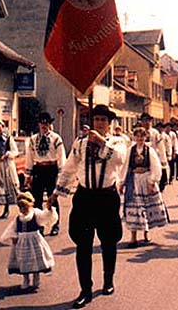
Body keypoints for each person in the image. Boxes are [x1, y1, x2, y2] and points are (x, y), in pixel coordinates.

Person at [48, 104, 126, 308]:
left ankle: (108, 279)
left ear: (109, 123)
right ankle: (85, 289)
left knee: (109, 242)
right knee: (83, 245)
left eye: (103, 120)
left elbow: (119, 160)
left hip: (107, 198)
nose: (99, 123)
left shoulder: (118, 141)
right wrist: (56, 192)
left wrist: (100, 142)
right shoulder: (80, 143)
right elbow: (69, 168)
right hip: (85, 197)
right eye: (96, 119)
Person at [119, 127, 168, 248]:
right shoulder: (130, 150)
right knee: (134, 208)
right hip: (134, 181)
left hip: (146, 180)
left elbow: (155, 166)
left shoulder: (149, 150)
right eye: (137, 136)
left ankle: (147, 234)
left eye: (142, 136)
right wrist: (121, 182)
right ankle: (133, 237)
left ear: (145, 137)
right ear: (134, 137)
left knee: (146, 208)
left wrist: (152, 181)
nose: (140, 139)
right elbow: (125, 166)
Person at [0, 192, 57, 290]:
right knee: (24, 260)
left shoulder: (35, 213)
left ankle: (36, 277)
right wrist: (13, 236)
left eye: (25, 207)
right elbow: (12, 228)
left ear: (30, 206)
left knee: (35, 259)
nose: (23, 210)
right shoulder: (18, 218)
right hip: (22, 242)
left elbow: (45, 217)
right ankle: (26, 279)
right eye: (21, 207)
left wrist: (49, 209)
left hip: (34, 240)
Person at [25, 112, 66, 236]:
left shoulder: (56, 138)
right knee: (37, 199)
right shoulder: (33, 139)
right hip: (39, 169)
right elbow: (29, 157)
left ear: (50, 124)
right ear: (38, 124)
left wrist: (61, 173)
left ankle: (55, 225)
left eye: (46, 123)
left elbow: (61, 156)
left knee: (52, 198)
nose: (44, 126)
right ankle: (40, 225)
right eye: (42, 123)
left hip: (51, 168)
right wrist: (28, 174)